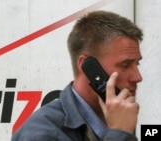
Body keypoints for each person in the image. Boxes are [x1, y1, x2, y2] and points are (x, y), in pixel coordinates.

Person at [12, 10, 143, 141]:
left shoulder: (119, 119)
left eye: (137, 64)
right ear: (89, 68)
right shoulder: (45, 133)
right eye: (125, 65)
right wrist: (120, 134)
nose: (137, 77)